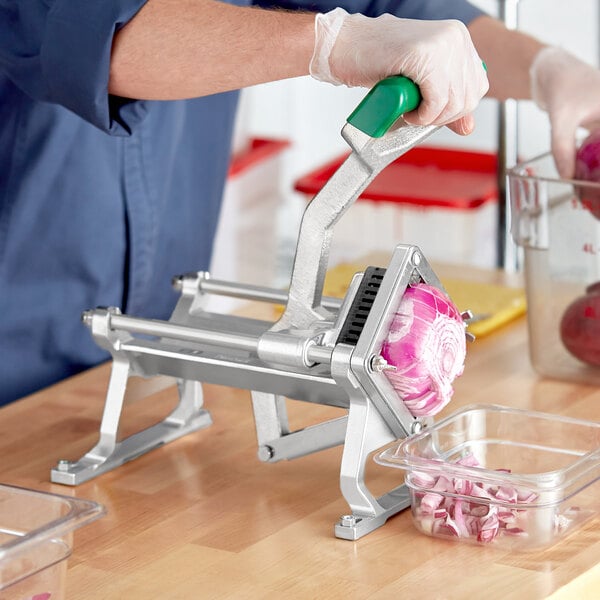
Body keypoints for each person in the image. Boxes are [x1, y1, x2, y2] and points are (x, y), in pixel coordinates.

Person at [0, 0, 599, 406]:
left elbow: (394, 5)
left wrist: (552, 71)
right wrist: (333, 44)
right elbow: (87, 32)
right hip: (17, 343)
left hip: (153, 347)